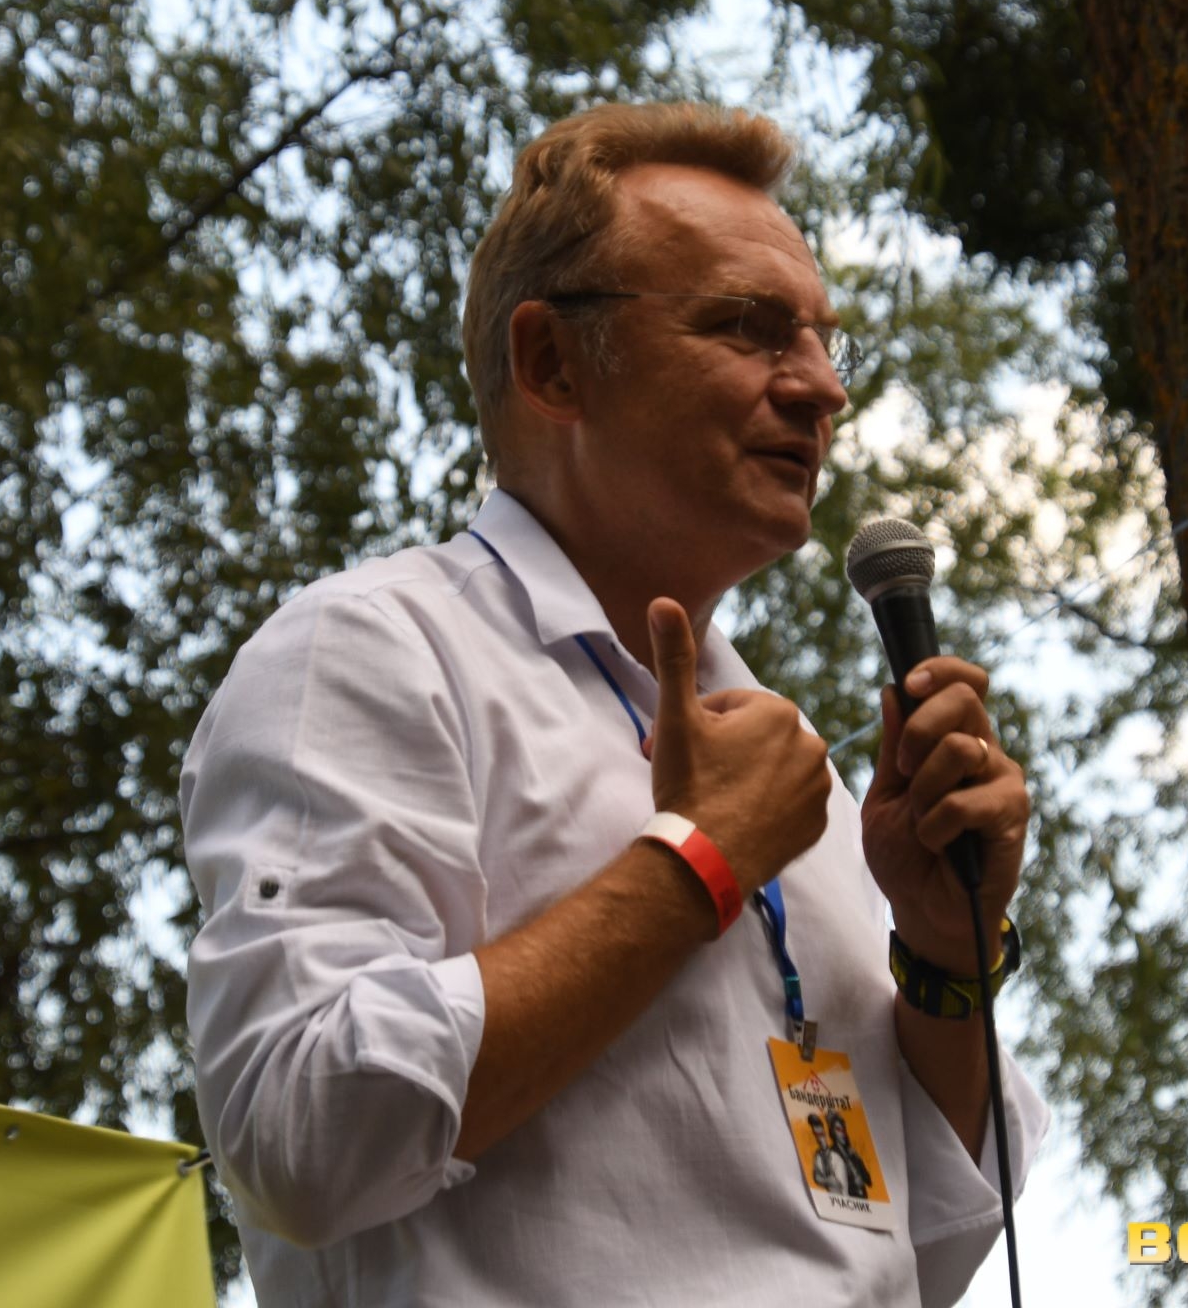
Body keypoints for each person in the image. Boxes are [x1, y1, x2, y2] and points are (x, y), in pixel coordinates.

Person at [181, 102, 1045, 1306]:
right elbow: (297, 1134)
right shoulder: (375, 650)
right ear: (552, 364)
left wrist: (946, 954)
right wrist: (696, 863)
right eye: (746, 326)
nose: (820, 389)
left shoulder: (786, 758)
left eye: (824, 342)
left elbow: (923, 1246)